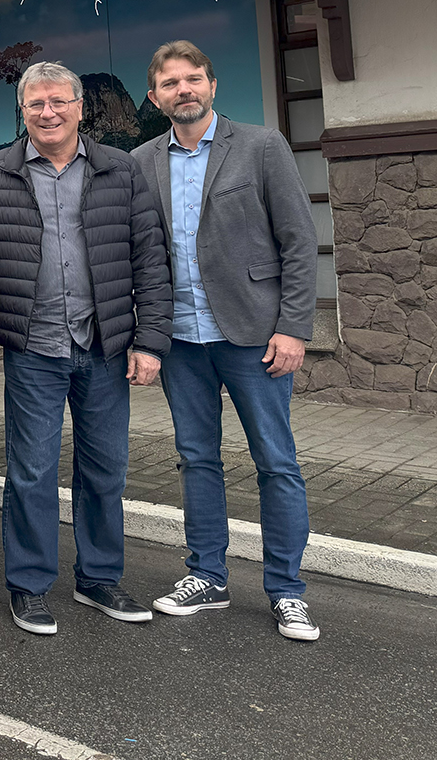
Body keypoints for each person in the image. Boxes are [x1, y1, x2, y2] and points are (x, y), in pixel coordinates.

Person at [0, 61, 172, 636]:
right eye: (36, 104)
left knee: (105, 469)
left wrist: (151, 341)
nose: (48, 113)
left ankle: (99, 579)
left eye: (58, 102)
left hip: (103, 344)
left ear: (78, 107)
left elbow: (149, 256)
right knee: (32, 471)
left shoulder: (119, 170)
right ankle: (28, 585)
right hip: (33, 346)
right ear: (23, 112)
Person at [132, 41, 321, 641]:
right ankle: (206, 576)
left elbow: (298, 241)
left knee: (276, 463)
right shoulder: (142, 162)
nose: (182, 90)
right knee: (196, 460)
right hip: (182, 341)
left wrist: (293, 327)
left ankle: (288, 591)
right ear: (156, 95)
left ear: (212, 86)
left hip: (255, 338)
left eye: (193, 80)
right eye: (170, 83)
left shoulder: (262, 146)